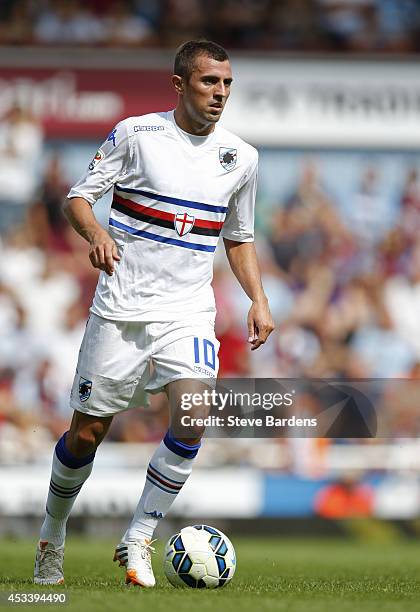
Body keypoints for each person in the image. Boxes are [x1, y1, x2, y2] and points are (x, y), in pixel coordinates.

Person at [33, 39, 274, 588]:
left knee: (193, 414)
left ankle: (139, 536)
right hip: (120, 309)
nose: (220, 94)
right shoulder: (136, 135)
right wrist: (96, 233)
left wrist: (258, 300)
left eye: (227, 83)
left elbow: (238, 238)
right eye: (210, 82)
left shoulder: (242, 157)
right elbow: (78, 197)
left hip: (188, 310)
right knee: (87, 435)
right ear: (179, 84)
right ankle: (52, 533)